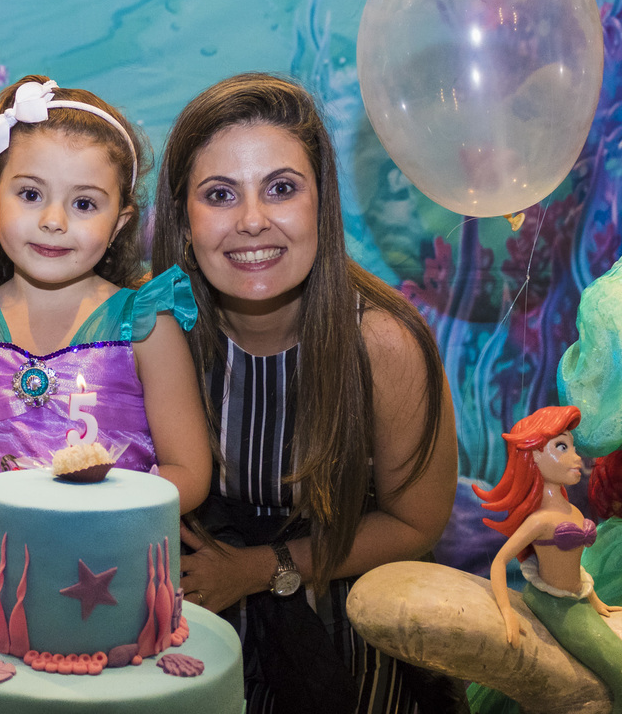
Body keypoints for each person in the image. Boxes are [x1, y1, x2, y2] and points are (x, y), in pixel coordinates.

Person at [151, 73, 460, 713]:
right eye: (219, 194)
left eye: (282, 189)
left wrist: (257, 569)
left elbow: (416, 521)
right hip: (190, 630)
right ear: (183, 216)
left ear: (322, 202)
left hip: (345, 629)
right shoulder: (153, 333)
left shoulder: (384, 344)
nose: (253, 221)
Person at [0, 76, 212, 548]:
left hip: (121, 563)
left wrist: (106, 510)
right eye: (31, 194)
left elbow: (191, 471)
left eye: (84, 203)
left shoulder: (145, 326)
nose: (54, 221)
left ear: (119, 223)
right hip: (5, 567)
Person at [473, 406, 622, 714]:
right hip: (555, 605)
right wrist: (507, 612)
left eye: (573, 447)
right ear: (534, 455)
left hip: (576, 600)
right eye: (561, 447)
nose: (576, 457)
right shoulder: (540, 521)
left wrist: (593, 597)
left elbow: (573, 563)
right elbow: (499, 562)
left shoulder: (570, 511)